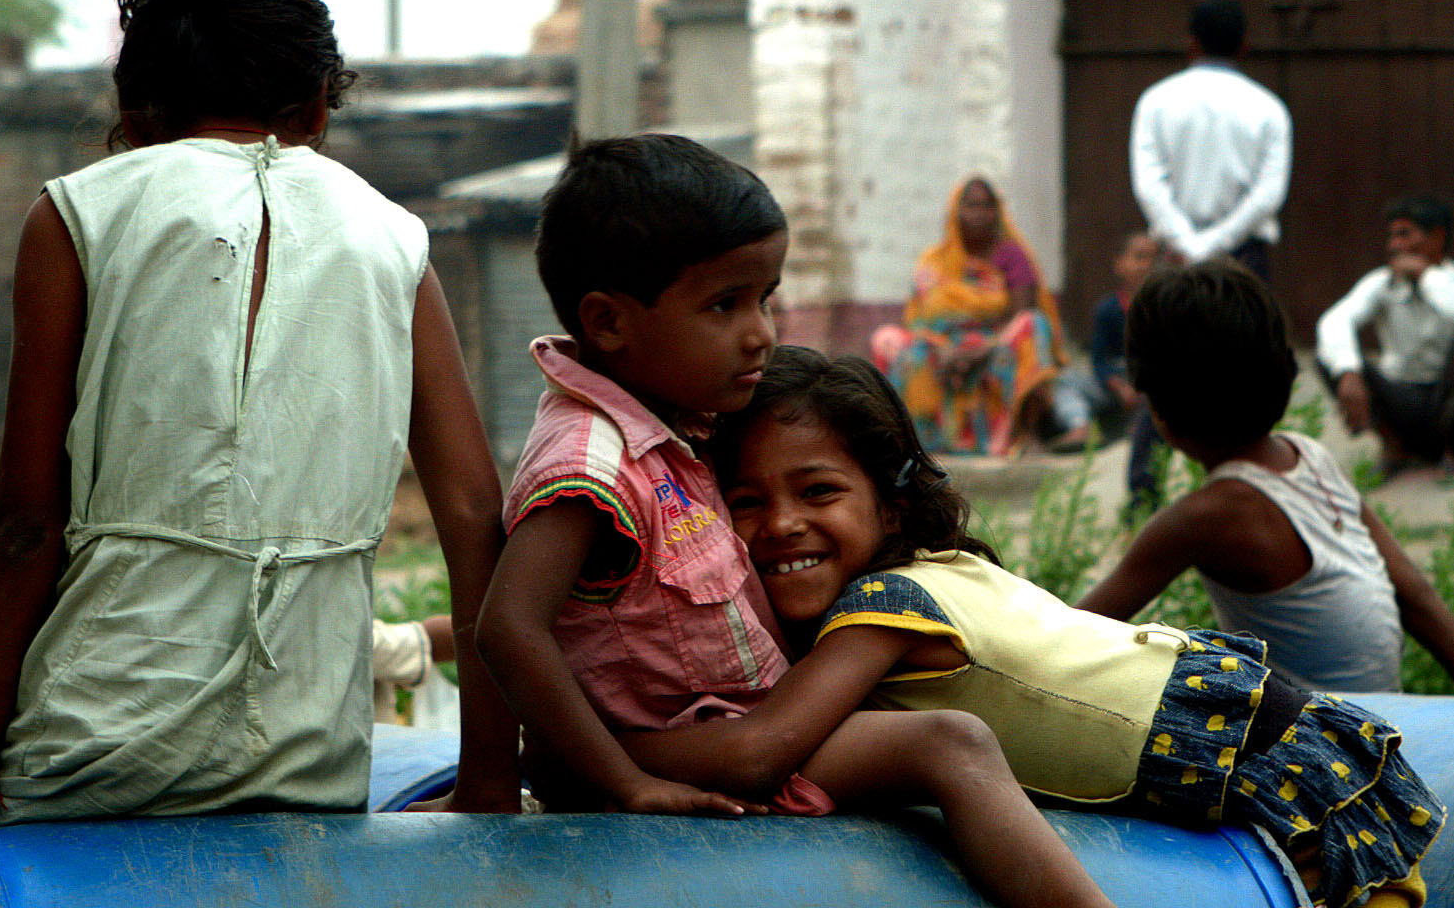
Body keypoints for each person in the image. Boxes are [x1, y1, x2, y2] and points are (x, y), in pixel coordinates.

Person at [0, 0, 517, 876]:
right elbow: (475, 517)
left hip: (96, 747)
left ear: (135, 120)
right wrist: (490, 787)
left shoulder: (78, 215)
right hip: (311, 757)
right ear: (318, 109)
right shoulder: (397, 241)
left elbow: (22, 524)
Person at [476, 134, 1109, 908]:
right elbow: (508, 625)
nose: (762, 333)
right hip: (706, 747)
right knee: (951, 742)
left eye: (765, 298)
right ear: (608, 324)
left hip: (745, 722)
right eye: (724, 304)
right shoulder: (590, 461)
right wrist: (625, 781)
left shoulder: (676, 429)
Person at [705, 344, 1443, 908]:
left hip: (1293, 787)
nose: (781, 525)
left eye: (819, 491)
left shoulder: (885, 607)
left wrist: (605, 759)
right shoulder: (943, 569)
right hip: (1274, 742)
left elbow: (756, 756)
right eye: (744, 501)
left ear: (891, 506)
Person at [1076, 260, 1454, 699]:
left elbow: (1070, 631)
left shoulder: (1205, 517)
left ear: (1157, 406)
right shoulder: (1309, 456)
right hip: (1383, 719)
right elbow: (1418, 594)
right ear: (1283, 371)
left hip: (1314, 750)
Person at [870, 175, 1068, 456]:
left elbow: (1022, 313)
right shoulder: (935, 260)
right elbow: (917, 318)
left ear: (997, 212)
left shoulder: (1012, 255)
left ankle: (1024, 437)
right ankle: (912, 444)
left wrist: (979, 351)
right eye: (971, 206)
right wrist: (944, 350)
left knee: (1034, 326)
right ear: (956, 211)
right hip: (940, 343)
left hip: (993, 340)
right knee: (886, 339)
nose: (979, 214)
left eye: (987, 206)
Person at [1316, 196, 1454, 476]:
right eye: (1391, 236)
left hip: (1447, 400)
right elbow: (1334, 320)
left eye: (1404, 235)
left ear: (1437, 237)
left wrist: (1427, 276)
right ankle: (1394, 445)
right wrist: (1347, 371)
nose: (1394, 246)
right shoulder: (1381, 283)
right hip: (1401, 400)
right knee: (1330, 357)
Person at [1130, 0, 1290, 280]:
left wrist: (1191, 247)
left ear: (1191, 43)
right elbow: (1267, 195)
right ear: (1244, 47)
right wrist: (1212, 247)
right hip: (1244, 260)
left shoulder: (1155, 102)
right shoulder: (1269, 108)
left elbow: (1149, 186)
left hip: (1175, 258)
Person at [1044, 231, 1157, 454]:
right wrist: (1119, 387)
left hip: (1149, 385)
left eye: (1152, 259)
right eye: (1139, 257)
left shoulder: (1162, 306)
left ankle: (1145, 427)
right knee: (1065, 382)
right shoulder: (1107, 310)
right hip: (1116, 385)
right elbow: (1099, 361)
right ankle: (1080, 426)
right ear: (1119, 264)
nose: (1146, 266)